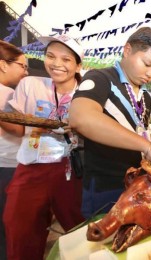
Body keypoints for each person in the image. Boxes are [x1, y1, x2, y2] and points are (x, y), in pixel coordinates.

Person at [69, 27, 151, 218]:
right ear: (127, 50)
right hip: (105, 186)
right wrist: (149, 147)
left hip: (138, 184)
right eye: (146, 64)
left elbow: (135, 132)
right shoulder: (100, 79)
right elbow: (80, 118)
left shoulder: (145, 97)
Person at [3, 34, 85, 260]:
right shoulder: (30, 85)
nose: (57, 64)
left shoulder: (86, 93)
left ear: (78, 65)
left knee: (81, 232)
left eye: (66, 59)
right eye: (51, 56)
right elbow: (19, 130)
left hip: (71, 172)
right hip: (31, 168)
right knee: (19, 229)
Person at [0, 40, 28, 260]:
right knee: (10, 227)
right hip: (8, 166)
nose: (25, 72)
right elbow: (19, 131)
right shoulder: (8, 94)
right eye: (22, 65)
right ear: (3, 65)